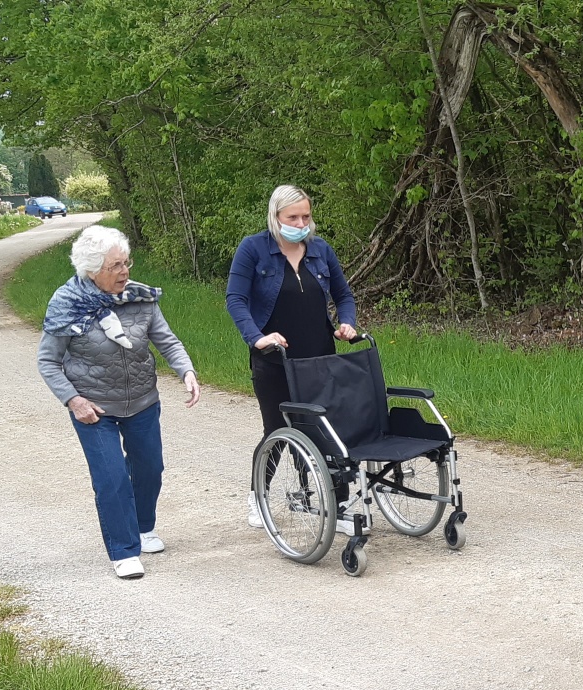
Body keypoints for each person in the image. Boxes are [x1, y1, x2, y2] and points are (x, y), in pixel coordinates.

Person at [37, 225, 201, 579]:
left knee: (150, 469)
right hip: (94, 408)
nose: (125, 272)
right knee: (111, 477)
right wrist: (73, 400)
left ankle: (143, 528)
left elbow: (167, 341)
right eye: (115, 266)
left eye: (126, 263)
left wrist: (186, 371)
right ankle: (124, 550)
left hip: (142, 400)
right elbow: (48, 361)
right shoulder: (66, 305)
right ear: (92, 270)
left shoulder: (140, 298)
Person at [225, 184, 359, 531]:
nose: (301, 223)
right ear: (275, 217)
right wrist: (257, 338)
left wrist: (347, 323)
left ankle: (328, 501)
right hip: (275, 360)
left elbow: (344, 295)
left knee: (324, 429)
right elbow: (236, 300)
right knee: (278, 430)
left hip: (319, 357)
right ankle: (258, 496)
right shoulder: (253, 249)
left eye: (306, 216)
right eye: (293, 217)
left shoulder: (320, 251)